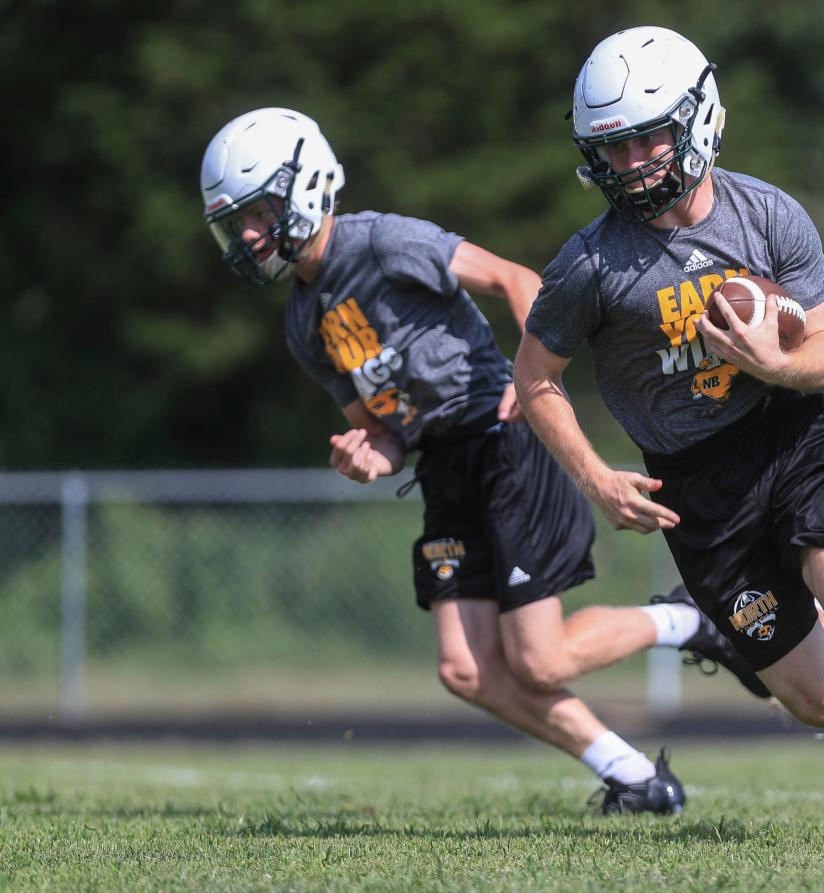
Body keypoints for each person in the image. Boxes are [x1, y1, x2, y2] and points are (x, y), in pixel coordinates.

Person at [198, 106, 769, 815]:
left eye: (256, 212)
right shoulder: (302, 322)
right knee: (465, 668)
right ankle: (635, 778)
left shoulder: (380, 242)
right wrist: (366, 455)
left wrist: (533, 384)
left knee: (541, 660)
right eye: (235, 223)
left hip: (503, 441)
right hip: (443, 464)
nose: (249, 235)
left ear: (305, 184)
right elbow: (381, 431)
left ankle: (696, 621)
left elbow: (515, 277)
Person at [514, 28, 824, 851]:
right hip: (700, 488)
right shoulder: (589, 264)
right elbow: (534, 378)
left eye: (646, 138)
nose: (629, 163)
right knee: (818, 701)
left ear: (698, 120)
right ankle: (697, 625)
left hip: (793, 439)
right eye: (611, 147)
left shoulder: (769, 214)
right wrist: (596, 478)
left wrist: (776, 360)